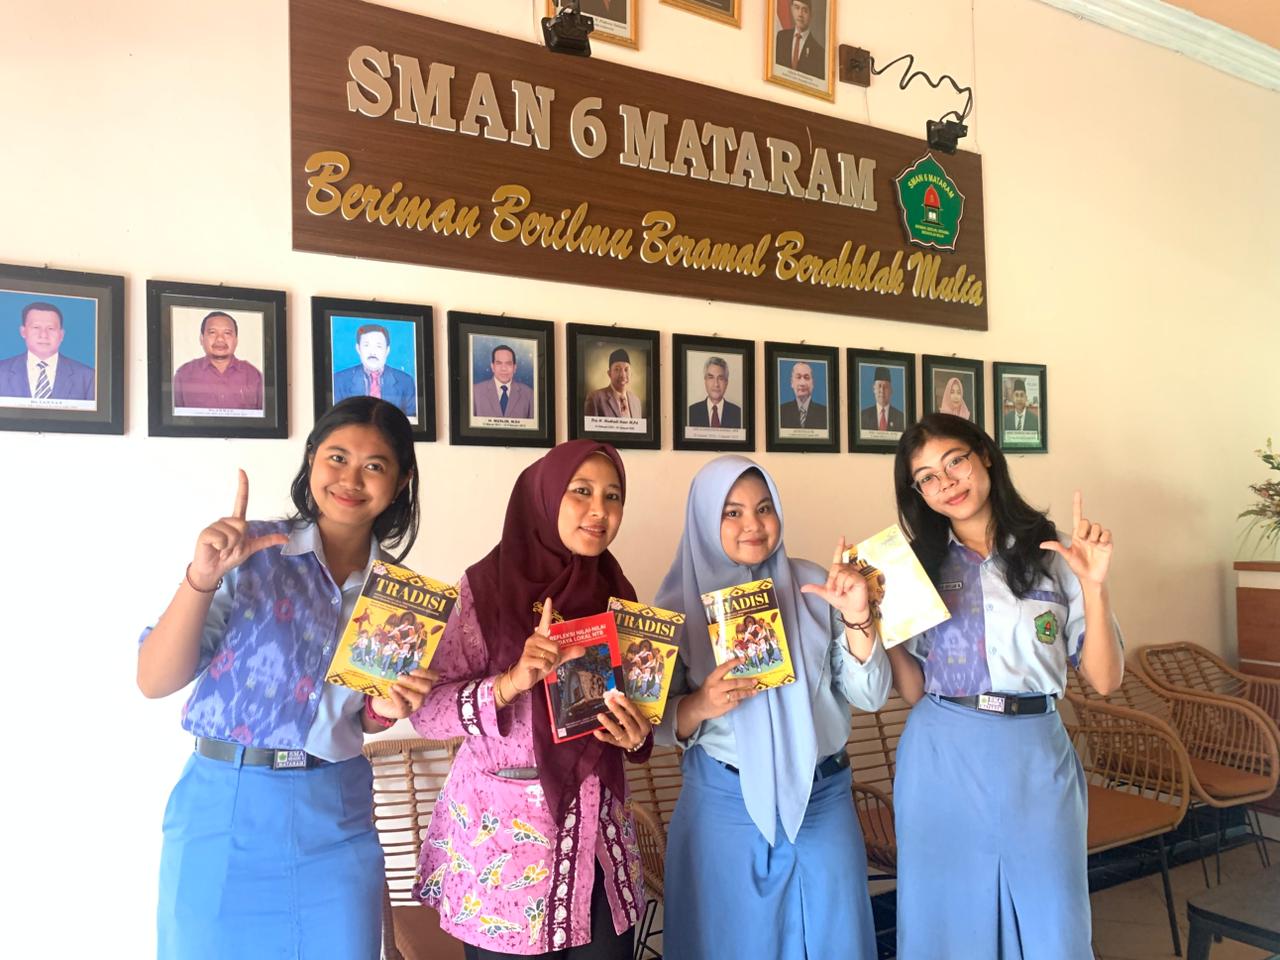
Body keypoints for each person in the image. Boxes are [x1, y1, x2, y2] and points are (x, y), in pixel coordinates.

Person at [137, 397, 434, 959]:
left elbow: (362, 717)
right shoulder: (248, 551)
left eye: (374, 465)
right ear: (312, 458)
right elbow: (153, 679)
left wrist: (389, 708)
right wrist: (201, 577)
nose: (351, 479)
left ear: (400, 483)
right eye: (337, 457)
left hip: (336, 819)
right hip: (223, 809)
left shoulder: (400, 596)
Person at [886, 413, 1123, 960]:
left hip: (1035, 756)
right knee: (950, 928)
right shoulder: (914, 567)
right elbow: (914, 690)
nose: (946, 483)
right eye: (926, 478)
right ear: (917, 493)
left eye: (955, 462)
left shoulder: (1055, 552)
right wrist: (883, 625)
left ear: (985, 456)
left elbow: (1106, 679)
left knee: (1053, 925)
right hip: (941, 758)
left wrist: (1095, 587)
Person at [409, 440, 652, 959]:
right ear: (544, 497)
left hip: (597, 843)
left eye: (613, 496)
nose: (599, 510)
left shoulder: (618, 593)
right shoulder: (484, 589)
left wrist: (635, 735)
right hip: (505, 854)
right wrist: (511, 681)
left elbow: (637, 708)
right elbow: (426, 713)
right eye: (581, 491)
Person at [655, 456, 892, 960]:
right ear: (703, 519)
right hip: (725, 809)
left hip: (823, 803)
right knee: (730, 944)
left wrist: (858, 619)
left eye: (764, 508)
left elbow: (870, 696)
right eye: (732, 512)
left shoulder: (815, 588)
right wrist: (699, 704)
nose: (753, 525)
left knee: (834, 942)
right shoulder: (675, 608)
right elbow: (653, 726)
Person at [0, 301, 95, 400]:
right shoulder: (1, 372)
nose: (43, 335)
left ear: (61, 335)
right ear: (23, 331)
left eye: (51, 328)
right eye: (36, 327)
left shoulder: (87, 376)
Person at [172, 311, 264, 410]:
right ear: (202, 339)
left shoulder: (254, 376)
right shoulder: (184, 375)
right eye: (212, 332)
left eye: (227, 333)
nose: (220, 339)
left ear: (236, 340)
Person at [333, 323, 417, 416]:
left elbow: (413, 420)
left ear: (387, 350)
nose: (372, 352)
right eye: (366, 345)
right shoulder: (339, 380)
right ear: (358, 348)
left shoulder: (405, 381)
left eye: (379, 346)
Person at [472, 344, 534, 419]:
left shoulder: (529, 394)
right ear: (492, 367)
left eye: (508, 363)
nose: (504, 368)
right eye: (499, 363)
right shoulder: (475, 392)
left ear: (514, 368)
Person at [583, 348, 642, 419]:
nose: (622, 375)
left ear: (631, 373)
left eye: (626, 369)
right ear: (609, 373)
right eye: (617, 369)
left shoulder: (636, 401)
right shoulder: (595, 399)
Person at [774, 0, 825, 79]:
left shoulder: (820, 53)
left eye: (805, 10)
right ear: (792, 9)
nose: (800, 14)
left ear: (811, 15)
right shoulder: (781, 37)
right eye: (797, 8)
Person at [686, 356, 741, 428]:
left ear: (726, 382)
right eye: (711, 377)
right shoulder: (691, 412)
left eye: (720, 378)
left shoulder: (739, 413)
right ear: (705, 381)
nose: (716, 384)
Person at [778, 360, 827, 429]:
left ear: (813, 383)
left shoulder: (825, 413)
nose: (802, 383)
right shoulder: (781, 412)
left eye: (806, 378)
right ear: (792, 383)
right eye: (798, 377)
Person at [859, 366, 904, 432]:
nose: (882, 390)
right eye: (879, 386)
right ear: (874, 389)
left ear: (891, 390)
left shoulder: (901, 418)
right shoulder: (863, 416)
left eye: (885, 387)